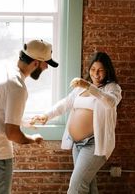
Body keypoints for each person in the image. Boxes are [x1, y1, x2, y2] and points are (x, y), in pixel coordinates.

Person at [0, 39, 54, 194]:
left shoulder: (0, 65)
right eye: (45, 63)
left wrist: (23, 122)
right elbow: (12, 133)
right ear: (36, 63)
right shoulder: (17, 87)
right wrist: (33, 139)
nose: (46, 67)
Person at [31, 51, 122, 194]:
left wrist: (88, 86)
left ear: (107, 71)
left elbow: (110, 102)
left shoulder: (112, 88)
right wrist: (46, 115)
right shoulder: (81, 88)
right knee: (88, 186)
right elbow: (65, 104)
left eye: (100, 70)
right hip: (77, 144)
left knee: (77, 187)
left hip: (95, 144)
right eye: (93, 70)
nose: (96, 74)